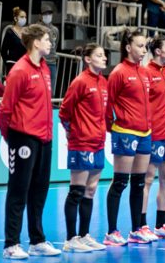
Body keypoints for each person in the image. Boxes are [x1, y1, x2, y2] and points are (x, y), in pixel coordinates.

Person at [0, 24, 61, 259]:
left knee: (39, 190)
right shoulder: (20, 71)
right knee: (18, 190)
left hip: (45, 138)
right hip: (23, 137)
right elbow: (5, 110)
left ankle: (37, 241)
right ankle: (11, 244)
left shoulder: (45, 68)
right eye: (46, 39)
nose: (50, 43)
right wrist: (13, 138)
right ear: (35, 42)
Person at [104, 29, 152, 245]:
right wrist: (114, 128)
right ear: (128, 47)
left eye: (145, 46)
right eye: (140, 46)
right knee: (120, 182)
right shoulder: (119, 73)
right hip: (125, 132)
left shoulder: (144, 72)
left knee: (139, 183)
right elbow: (108, 105)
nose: (144, 50)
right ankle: (111, 232)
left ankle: (136, 230)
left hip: (145, 133)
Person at [59, 44, 108, 253]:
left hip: (98, 143)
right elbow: (64, 112)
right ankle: (71, 239)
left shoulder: (104, 82)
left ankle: (84, 235)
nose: (104, 58)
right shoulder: (80, 82)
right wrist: (74, 133)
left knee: (90, 190)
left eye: (104, 55)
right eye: (99, 55)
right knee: (77, 191)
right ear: (88, 59)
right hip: (82, 143)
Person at [142, 35, 165, 240]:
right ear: (158, 51)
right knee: (147, 179)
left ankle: (160, 225)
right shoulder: (146, 73)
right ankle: (141, 225)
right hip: (154, 133)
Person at [36, 6, 59, 95]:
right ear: (40, 15)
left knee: (51, 90)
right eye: (45, 14)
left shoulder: (55, 30)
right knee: (39, 88)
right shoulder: (37, 28)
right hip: (41, 62)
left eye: (49, 14)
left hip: (52, 62)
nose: (48, 16)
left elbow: (54, 45)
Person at [1, 7, 28, 76]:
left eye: (25, 17)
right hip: (12, 65)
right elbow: (3, 50)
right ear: (15, 18)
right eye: (22, 17)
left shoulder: (26, 33)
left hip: (24, 65)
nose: (24, 19)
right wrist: (8, 62)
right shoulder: (10, 32)